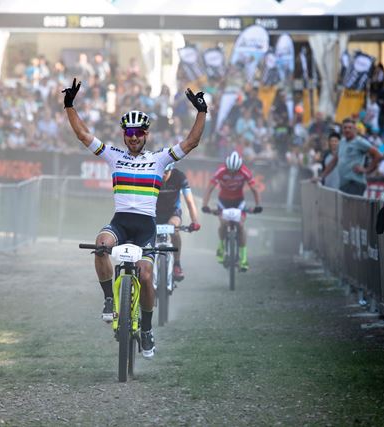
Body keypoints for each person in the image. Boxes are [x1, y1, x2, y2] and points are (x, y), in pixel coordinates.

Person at [62, 78, 207, 359]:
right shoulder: (114, 156)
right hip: (121, 222)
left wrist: (201, 111)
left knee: (146, 275)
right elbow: (83, 135)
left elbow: (192, 142)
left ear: (146, 134)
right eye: (129, 132)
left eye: (139, 132)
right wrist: (69, 105)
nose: (134, 137)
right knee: (100, 245)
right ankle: (109, 299)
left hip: (145, 227)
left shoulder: (160, 159)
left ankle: (148, 329)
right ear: (123, 134)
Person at [201, 151, 262, 272]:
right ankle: (222, 246)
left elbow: (254, 189)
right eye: (230, 171)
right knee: (224, 223)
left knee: (240, 225)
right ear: (226, 166)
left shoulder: (245, 171)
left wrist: (258, 205)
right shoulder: (221, 170)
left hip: (239, 202)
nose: (232, 173)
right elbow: (209, 188)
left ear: (240, 167)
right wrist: (205, 205)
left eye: (235, 171)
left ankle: (243, 259)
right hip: (223, 202)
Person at [155, 163, 201, 281]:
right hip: (154, 212)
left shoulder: (180, 177)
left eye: (166, 172)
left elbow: (189, 202)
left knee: (174, 229)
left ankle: (177, 264)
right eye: (161, 172)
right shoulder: (152, 176)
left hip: (173, 212)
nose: (163, 175)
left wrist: (194, 221)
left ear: (171, 170)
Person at [315, 118, 383, 196]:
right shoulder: (342, 142)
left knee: (350, 204)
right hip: (343, 184)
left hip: (354, 183)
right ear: (342, 129)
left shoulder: (359, 141)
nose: (347, 130)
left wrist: (367, 170)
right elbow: (334, 161)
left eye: (350, 128)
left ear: (355, 129)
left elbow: (378, 156)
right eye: (345, 128)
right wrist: (321, 177)